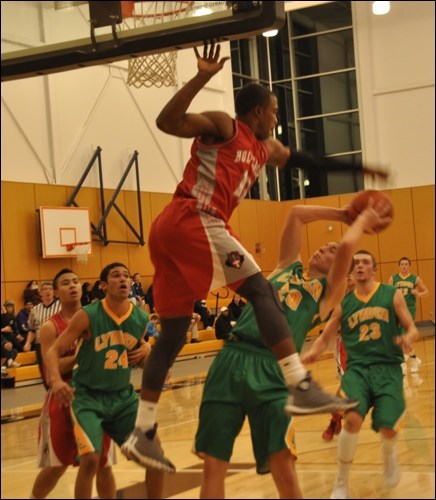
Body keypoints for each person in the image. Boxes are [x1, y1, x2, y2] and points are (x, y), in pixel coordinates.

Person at [121, 42, 388, 472]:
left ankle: (144, 431)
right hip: (195, 217)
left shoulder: (267, 148)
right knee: (263, 290)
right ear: (258, 111)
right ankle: (299, 383)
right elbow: (166, 121)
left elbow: (304, 159)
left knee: (171, 334)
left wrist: (359, 171)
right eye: (275, 109)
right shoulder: (226, 126)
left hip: (172, 230)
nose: (278, 117)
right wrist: (203, 77)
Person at [194, 202, 391, 498]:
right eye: (324, 246)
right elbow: (297, 213)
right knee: (213, 464)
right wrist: (341, 214)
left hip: (273, 369)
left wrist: (361, 220)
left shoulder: (329, 293)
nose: (323, 249)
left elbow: (348, 247)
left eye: (332, 250)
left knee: (283, 467)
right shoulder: (286, 267)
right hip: (230, 359)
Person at [303, 250, 418, 499]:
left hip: (388, 368)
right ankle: (341, 480)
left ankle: (389, 456)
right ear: (351, 272)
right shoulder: (345, 303)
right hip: (358, 370)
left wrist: (408, 338)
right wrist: (312, 353)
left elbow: (412, 328)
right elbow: (325, 336)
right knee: (352, 419)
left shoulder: (391, 294)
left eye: (365, 262)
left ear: (374, 269)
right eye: (356, 263)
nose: (360, 266)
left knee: (388, 427)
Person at [44, 262, 164, 499]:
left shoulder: (140, 318)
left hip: (123, 398)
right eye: (116, 276)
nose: (123, 280)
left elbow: (134, 358)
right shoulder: (87, 315)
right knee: (90, 460)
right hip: (88, 397)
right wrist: (57, 381)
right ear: (103, 285)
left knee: (155, 456)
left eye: (126, 276)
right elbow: (52, 352)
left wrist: (148, 358)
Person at [30, 268, 116, 500]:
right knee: (56, 467)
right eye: (66, 283)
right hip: (63, 397)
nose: (73, 286)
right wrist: (83, 353)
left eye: (76, 281)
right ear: (57, 292)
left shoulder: (98, 317)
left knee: (104, 464)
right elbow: (52, 368)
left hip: (96, 396)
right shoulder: (50, 327)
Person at [320, 274, 355, 442]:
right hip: (346, 346)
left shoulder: (373, 296)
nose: (348, 277)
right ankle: (335, 421)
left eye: (352, 273)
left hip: (368, 348)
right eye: (346, 274)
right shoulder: (342, 299)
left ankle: (336, 419)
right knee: (346, 385)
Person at [388, 256, 429, 374]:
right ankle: (415, 359)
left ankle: (403, 363)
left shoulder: (415, 279)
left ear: (409, 266)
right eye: (402, 264)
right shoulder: (393, 278)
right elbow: (388, 293)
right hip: (397, 308)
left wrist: (418, 293)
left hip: (409, 309)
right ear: (399, 266)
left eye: (406, 264)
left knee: (406, 334)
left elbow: (426, 291)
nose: (404, 266)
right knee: (400, 335)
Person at [23, 281, 61, 387]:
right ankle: (50, 395)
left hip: (57, 343)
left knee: (58, 371)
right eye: (45, 289)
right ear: (40, 293)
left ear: (54, 292)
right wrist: (28, 343)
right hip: (40, 344)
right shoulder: (35, 310)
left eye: (50, 289)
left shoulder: (61, 306)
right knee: (45, 374)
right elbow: (32, 329)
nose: (48, 291)